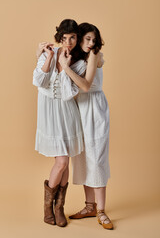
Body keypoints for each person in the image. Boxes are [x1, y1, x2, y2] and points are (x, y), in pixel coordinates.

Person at [37, 22, 113, 230]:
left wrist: (66, 67)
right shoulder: (75, 55)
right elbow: (47, 75)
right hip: (76, 111)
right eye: (87, 39)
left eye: (94, 39)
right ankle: (89, 206)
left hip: (94, 110)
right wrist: (45, 54)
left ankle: (100, 210)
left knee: (96, 158)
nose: (91, 43)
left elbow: (86, 86)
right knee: (81, 160)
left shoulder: (93, 56)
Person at [33, 19, 86, 227]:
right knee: (62, 162)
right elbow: (40, 81)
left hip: (66, 113)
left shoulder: (80, 63)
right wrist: (48, 57)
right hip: (48, 113)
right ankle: (49, 207)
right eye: (64, 38)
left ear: (77, 38)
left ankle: (58, 208)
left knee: (65, 162)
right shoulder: (48, 53)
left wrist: (65, 67)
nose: (69, 42)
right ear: (59, 38)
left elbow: (68, 93)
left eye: (72, 37)